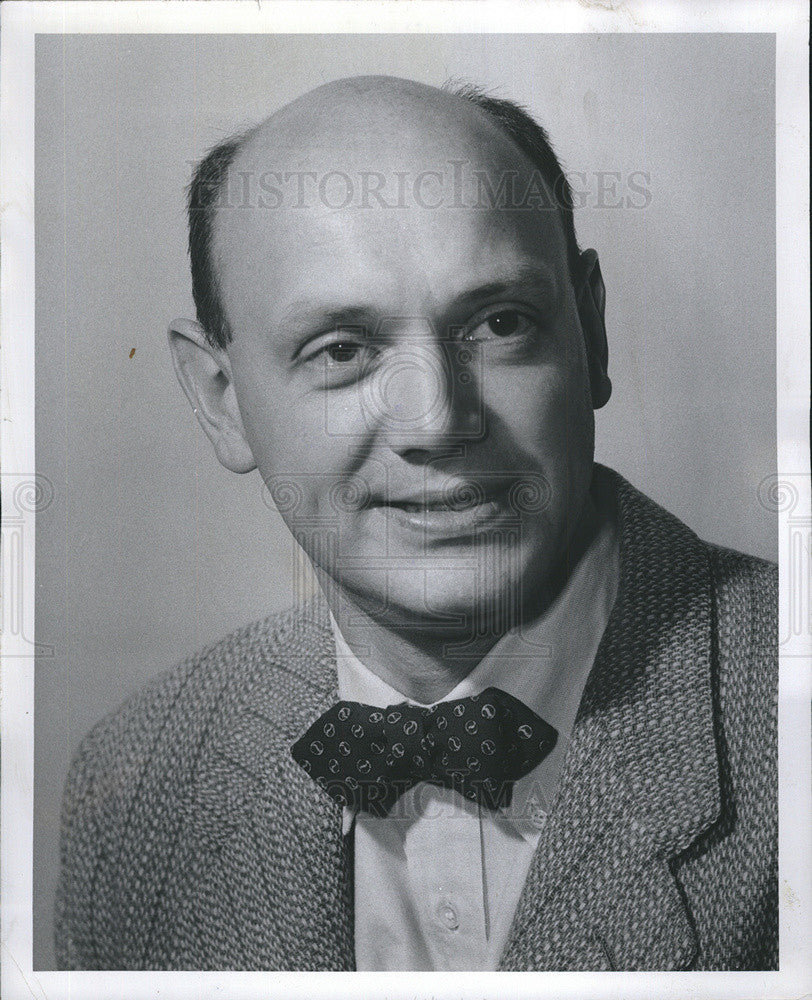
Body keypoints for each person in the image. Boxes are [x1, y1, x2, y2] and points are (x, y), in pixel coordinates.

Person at [55, 75, 777, 971]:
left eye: (499, 323)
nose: (436, 420)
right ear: (221, 400)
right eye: (343, 351)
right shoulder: (128, 789)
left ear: (590, 329)